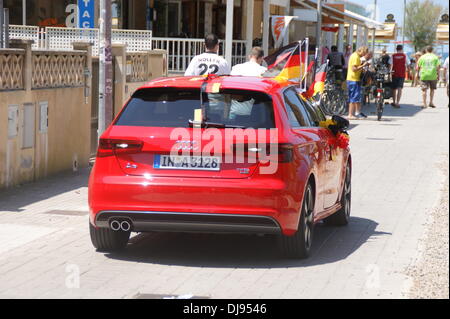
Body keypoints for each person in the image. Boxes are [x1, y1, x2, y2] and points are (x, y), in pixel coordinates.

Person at [347, 46, 369, 120]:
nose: (363, 55)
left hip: (354, 79)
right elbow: (354, 69)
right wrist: (363, 65)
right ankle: (350, 114)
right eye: (364, 53)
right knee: (353, 97)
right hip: (353, 79)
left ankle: (356, 113)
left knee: (355, 97)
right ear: (362, 51)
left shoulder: (355, 56)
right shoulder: (355, 57)